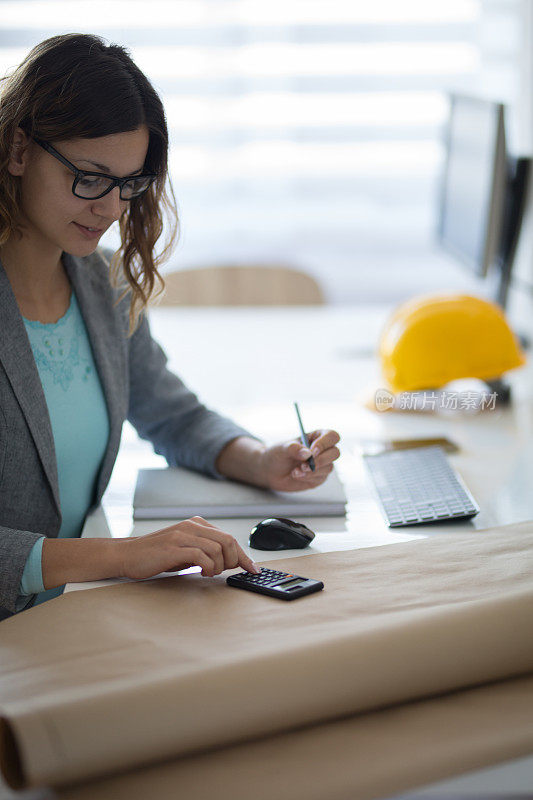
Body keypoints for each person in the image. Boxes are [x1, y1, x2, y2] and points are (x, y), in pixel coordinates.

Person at [0, 33, 341, 620]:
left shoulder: (101, 283)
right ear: (18, 149)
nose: (110, 208)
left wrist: (260, 459)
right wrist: (124, 555)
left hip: (63, 617)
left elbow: (172, 413)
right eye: (89, 177)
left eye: (128, 184)